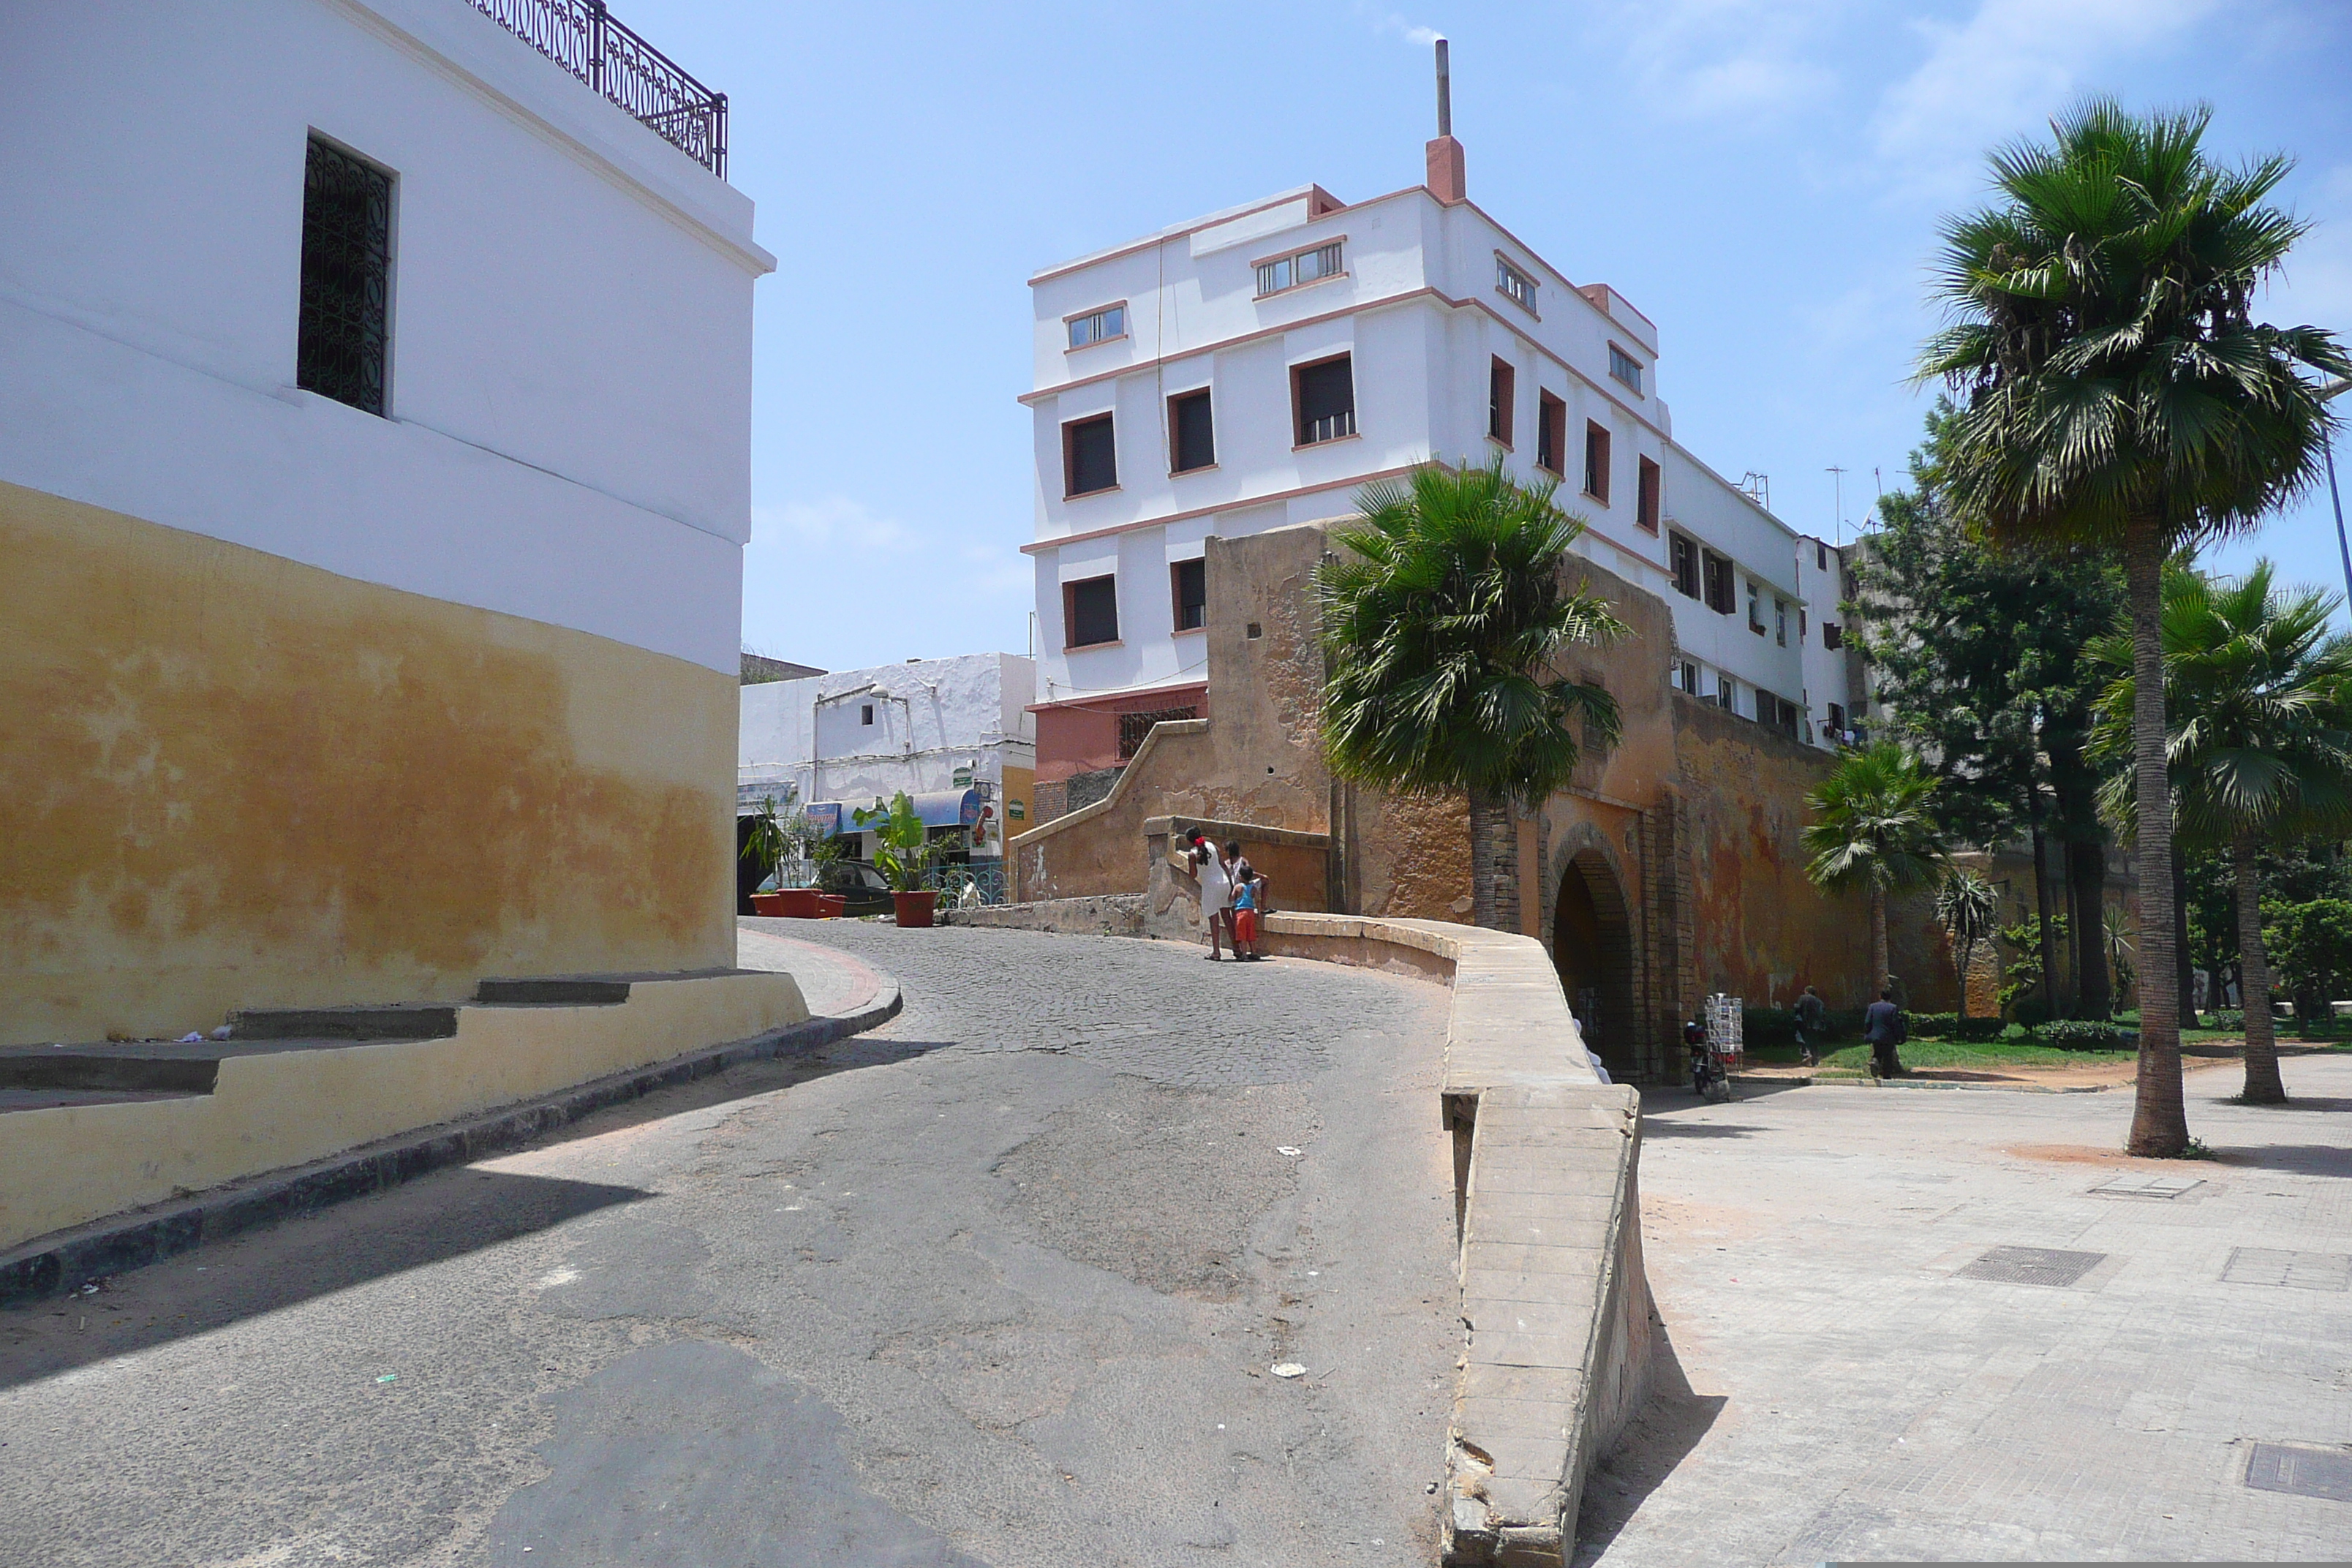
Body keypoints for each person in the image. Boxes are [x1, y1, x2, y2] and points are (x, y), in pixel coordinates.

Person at [1176, 829, 1233, 960]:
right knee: (1227, 917)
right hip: (1224, 882)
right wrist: (1232, 884)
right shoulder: (1213, 846)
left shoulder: (1192, 854)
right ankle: (1237, 949)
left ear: (1189, 841)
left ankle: (1216, 952)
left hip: (1211, 886)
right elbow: (1223, 865)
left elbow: (1193, 874)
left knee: (1214, 920)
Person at [1862, 986, 1905, 1077]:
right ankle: (1886, 1075)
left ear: (1880, 996)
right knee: (1887, 1056)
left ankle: (1875, 1061)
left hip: (1876, 1036)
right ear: (1890, 998)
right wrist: (1899, 1037)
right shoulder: (1893, 1008)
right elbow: (1896, 1024)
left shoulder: (1873, 1007)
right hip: (1888, 1037)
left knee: (1877, 1052)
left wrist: (1868, 1033)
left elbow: (1867, 1022)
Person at [1793, 984, 1826, 1068]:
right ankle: (1815, 1058)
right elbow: (1822, 1014)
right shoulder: (1819, 1002)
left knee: (1801, 1039)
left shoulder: (1802, 998)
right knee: (1813, 1040)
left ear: (1806, 991)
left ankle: (1807, 1055)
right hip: (1815, 1024)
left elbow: (1797, 1008)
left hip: (1803, 1022)